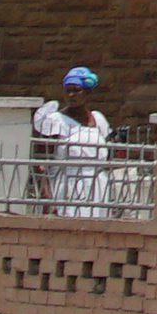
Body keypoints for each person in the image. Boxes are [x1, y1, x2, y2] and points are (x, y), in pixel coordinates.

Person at [32, 66, 115, 216]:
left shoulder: (99, 120)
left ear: (88, 92)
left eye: (76, 90)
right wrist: (48, 200)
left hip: (97, 187)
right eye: (67, 90)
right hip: (68, 186)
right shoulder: (55, 121)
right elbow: (42, 165)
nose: (71, 95)